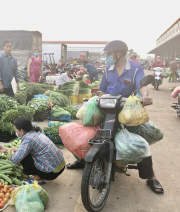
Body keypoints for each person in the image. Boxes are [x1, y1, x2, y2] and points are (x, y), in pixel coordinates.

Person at [67, 40, 164, 194]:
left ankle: (151, 177)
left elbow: (143, 86)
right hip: (108, 107)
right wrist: (96, 103)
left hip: (128, 109)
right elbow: (103, 90)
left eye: (110, 54)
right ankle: (84, 161)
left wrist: (144, 97)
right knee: (92, 133)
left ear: (119, 54)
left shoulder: (135, 68)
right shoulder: (108, 69)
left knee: (137, 142)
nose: (107, 58)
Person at [0, 116, 65, 184]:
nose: (16, 133)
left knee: (24, 158)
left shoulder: (28, 139)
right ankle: (39, 176)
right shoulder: (35, 132)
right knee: (26, 153)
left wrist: (11, 152)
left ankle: (38, 178)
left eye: (16, 130)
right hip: (60, 166)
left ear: (22, 130)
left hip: (51, 173)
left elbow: (15, 159)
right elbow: (23, 150)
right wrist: (7, 150)